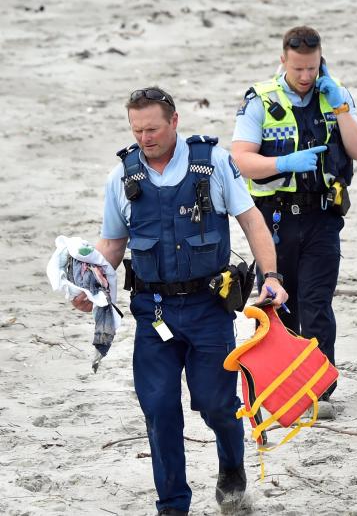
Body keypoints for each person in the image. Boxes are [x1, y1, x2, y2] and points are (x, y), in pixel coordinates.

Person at [72, 87, 288, 516]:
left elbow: (251, 221)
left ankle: (231, 468)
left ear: (174, 122)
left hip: (209, 310)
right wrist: (92, 285)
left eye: (152, 128)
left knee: (217, 405)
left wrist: (271, 277)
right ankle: (172, 505)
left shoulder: (215, 163)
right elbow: (113, 244)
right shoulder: (122, 178)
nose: (145, 137)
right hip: (154, 314)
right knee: (158, 410)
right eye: (137, 130)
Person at [231, 26, 357, 402]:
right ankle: (282, 389)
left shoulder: (335, 94)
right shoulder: (260, 99)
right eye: (299, 70)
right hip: (274, 221)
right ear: (283, 62)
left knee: (316, 303)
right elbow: (241, 160)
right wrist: (284, 161)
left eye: (313, 68)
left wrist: (340, 107)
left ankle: (319, 391)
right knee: (278, 304)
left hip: (322, 217)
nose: (307, 77)